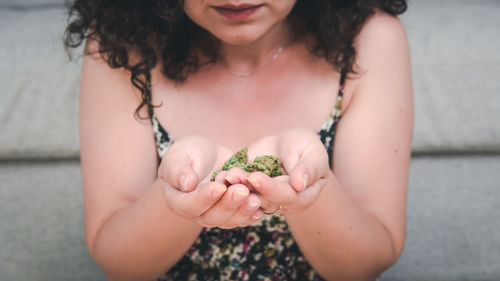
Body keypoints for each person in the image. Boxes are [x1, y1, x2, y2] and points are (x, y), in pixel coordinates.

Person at [64, 0, 413, 280]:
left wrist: (306, 190)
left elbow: (366, 265)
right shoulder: (121, 45)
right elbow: (119, 264)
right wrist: (178, 199)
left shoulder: (370, 40)